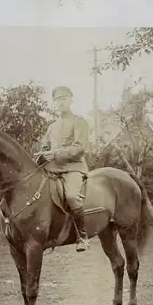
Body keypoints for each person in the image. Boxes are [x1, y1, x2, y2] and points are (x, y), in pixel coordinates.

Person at [37, 86, 90, 252]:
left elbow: (79, 148)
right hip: (52, 168)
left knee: (72, 196)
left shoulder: (79, 122)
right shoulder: (52, 126)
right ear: (54, 103)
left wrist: (55, 154)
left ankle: (82, 236)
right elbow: (46, 147)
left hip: (73, 167)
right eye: (58, 100)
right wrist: (40, 155)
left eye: (64, 99)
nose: (61, 103)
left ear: (70, 100)